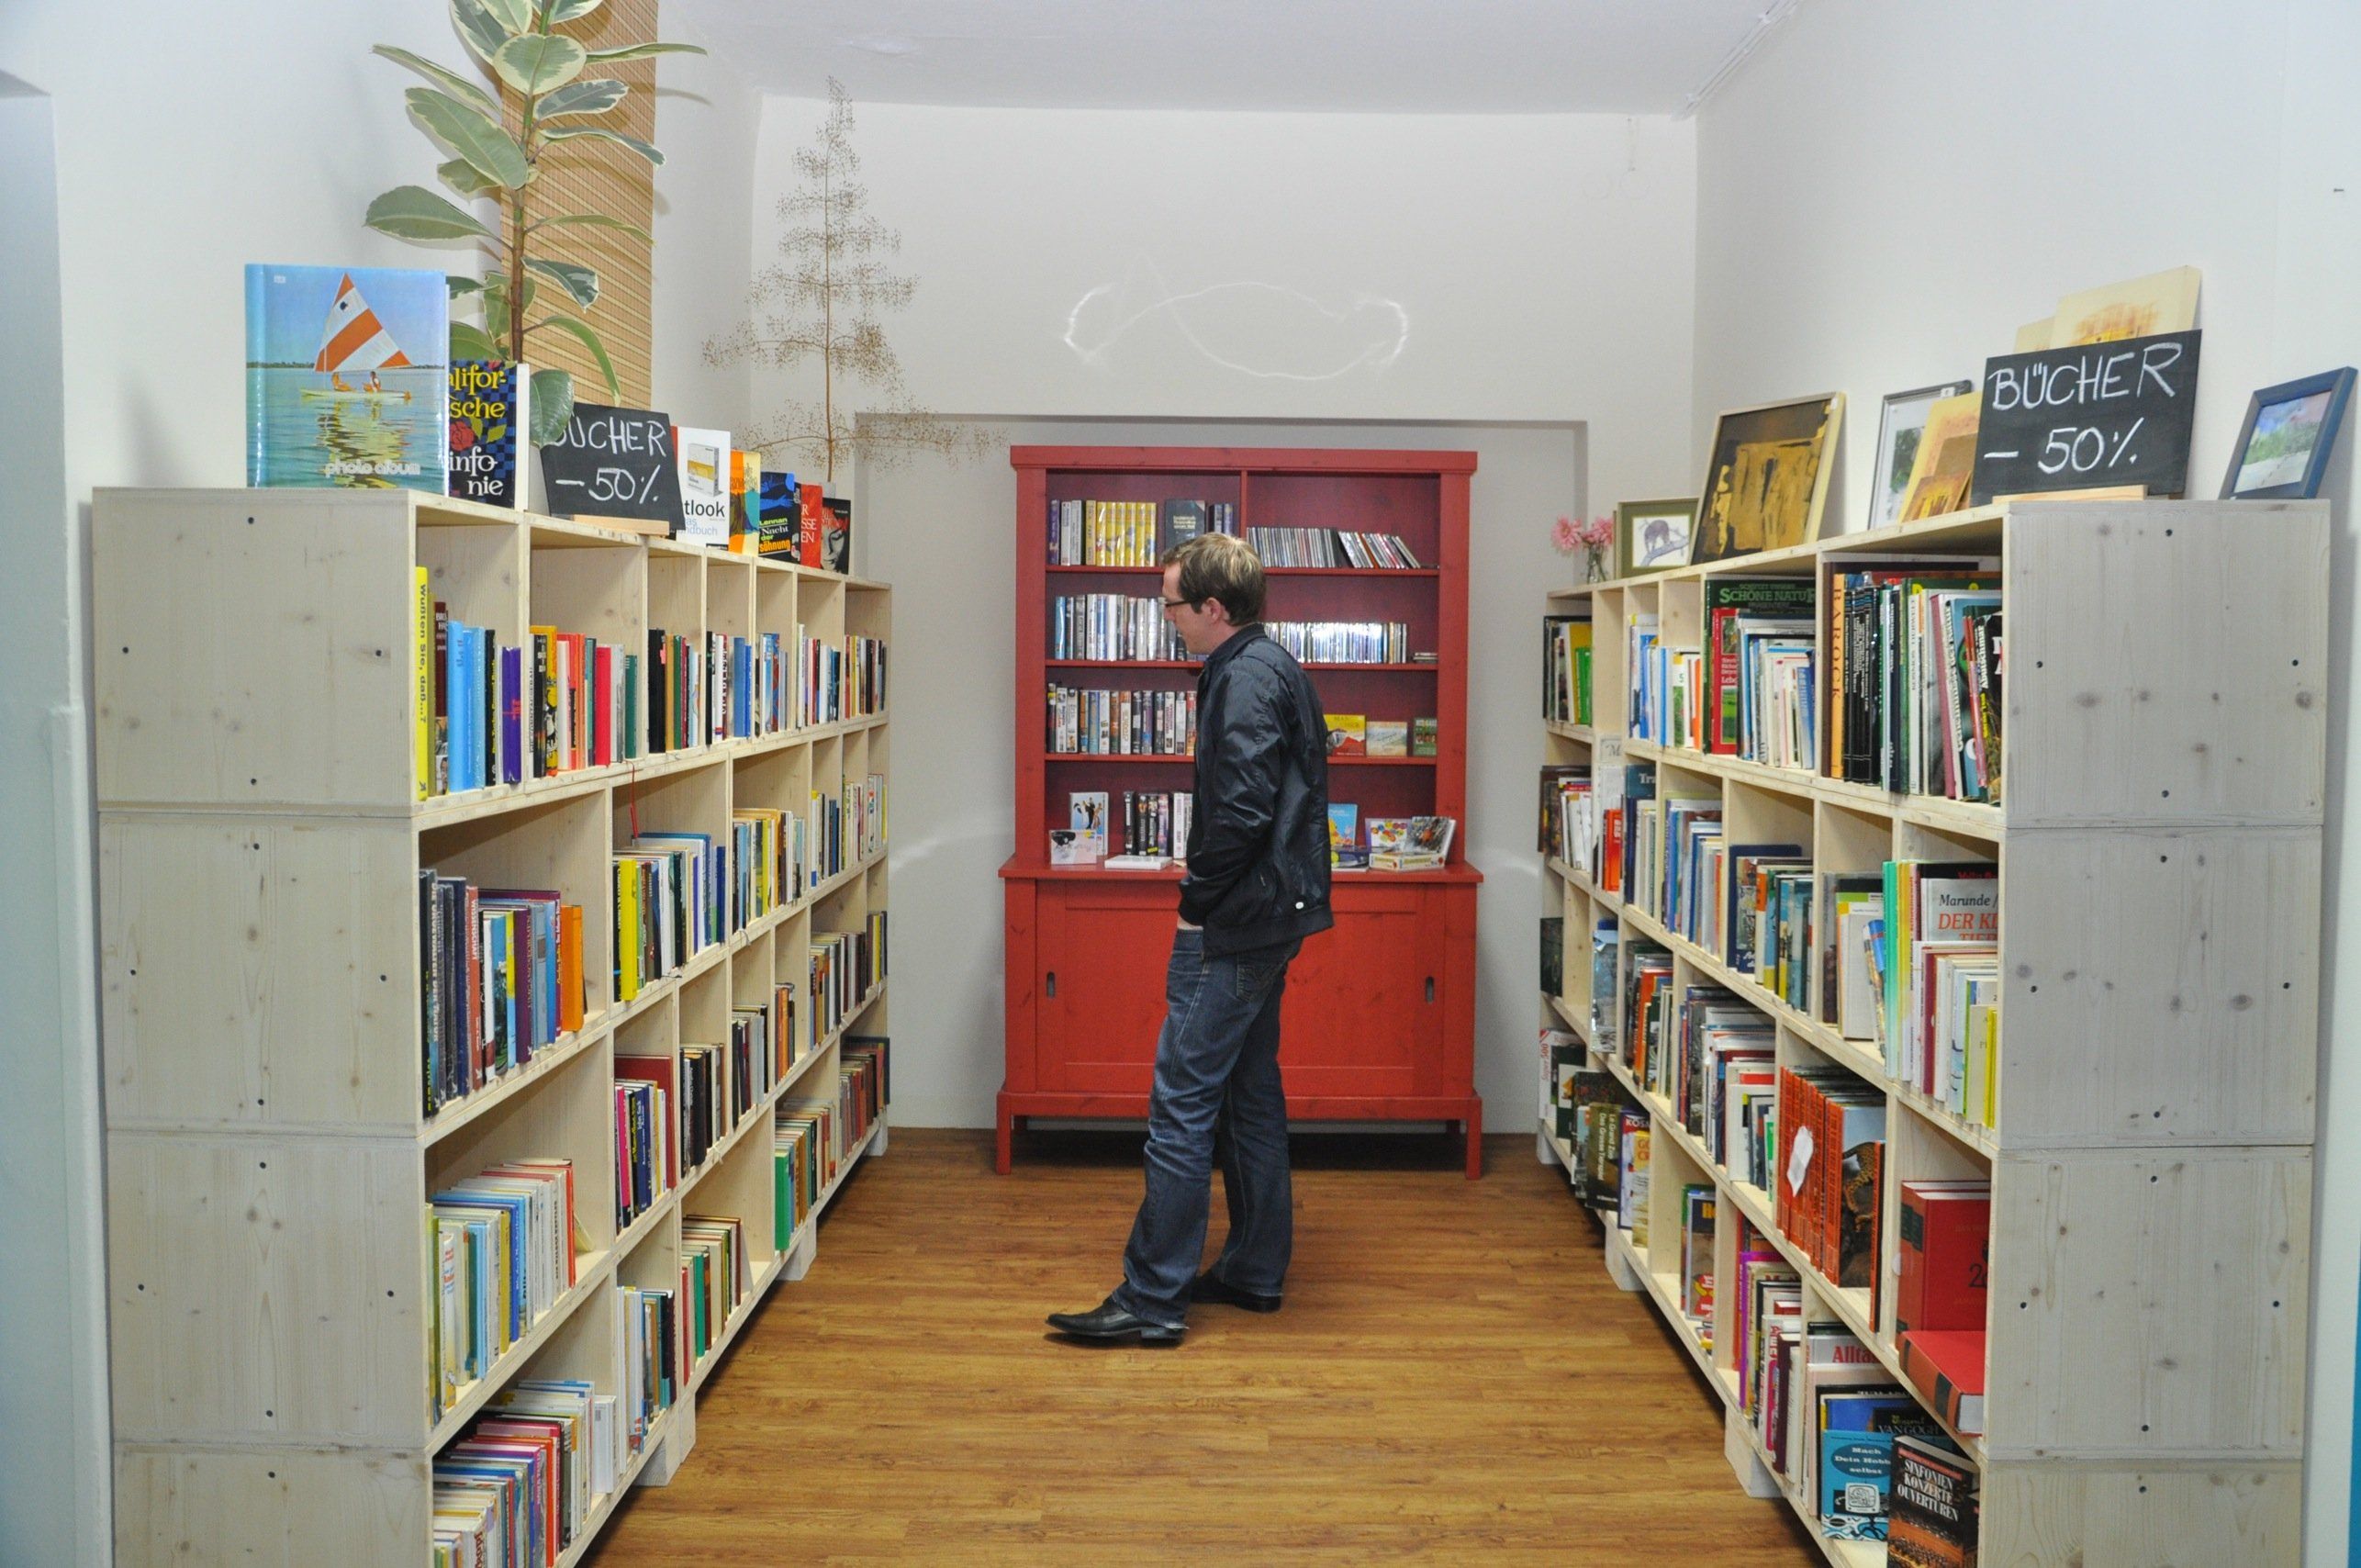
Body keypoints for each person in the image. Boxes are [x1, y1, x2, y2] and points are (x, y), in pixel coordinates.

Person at [1046, 532, 1333, 1345]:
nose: (1166, 617)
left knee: (1181, 1103)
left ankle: (1151, 1299)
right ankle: (1253, 1270)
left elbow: (1240, 812)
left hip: (1235, 924)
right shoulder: (1269, 664)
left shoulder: (1244, 677)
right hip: (1271, 916)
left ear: (1212, 607)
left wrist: (1196, 904)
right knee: (1249, 1095)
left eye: (1172, 604)